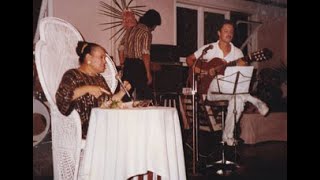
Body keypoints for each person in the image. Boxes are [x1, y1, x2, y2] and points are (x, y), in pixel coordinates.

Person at [186, 20, 269, 146]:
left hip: (228, 92)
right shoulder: (210, 48)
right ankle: (254, 100)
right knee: (219, 80)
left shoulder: (238, 53)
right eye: (226, 31)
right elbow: (189, 59)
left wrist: (245, 62)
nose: (229, 33)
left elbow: (239, 81)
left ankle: (227, 136)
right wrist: (200, 70)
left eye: (231, 31)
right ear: (219, 33)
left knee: (239, 99)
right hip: (208, 90)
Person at [56, 41, 131, 139]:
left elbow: (108, 103)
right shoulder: (72, 75)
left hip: (102, 126)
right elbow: (62, 102)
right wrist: (86, 89)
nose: (105, 61)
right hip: (85, 131)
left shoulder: (99, 78)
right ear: (88, 58)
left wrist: (122, 92)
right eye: (101, 57)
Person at [118, 9, 161, 101]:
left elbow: (120, 48)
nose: (154, 29)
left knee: (124, 95)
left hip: (127, 65)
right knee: (146, 97)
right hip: (139, 66)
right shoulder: (146, 32)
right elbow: (145, 53)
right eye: (155, 26)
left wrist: (122, 64)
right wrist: (148, 73)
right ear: (152, 23)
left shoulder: (130, 30)